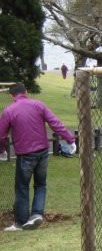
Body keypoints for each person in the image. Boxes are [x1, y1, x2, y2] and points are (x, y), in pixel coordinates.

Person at [0, 83, 76, 232]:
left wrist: (2, 150)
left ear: (11, 95)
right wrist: (70, 139)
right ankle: (36, 215)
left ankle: (20, 222)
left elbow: (1, 134)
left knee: (22, 188)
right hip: (42, 151)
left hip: (25, 153)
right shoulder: (38, 104)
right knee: (40, 185)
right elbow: (55, 123)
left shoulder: (9, 110)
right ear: (26, 92)